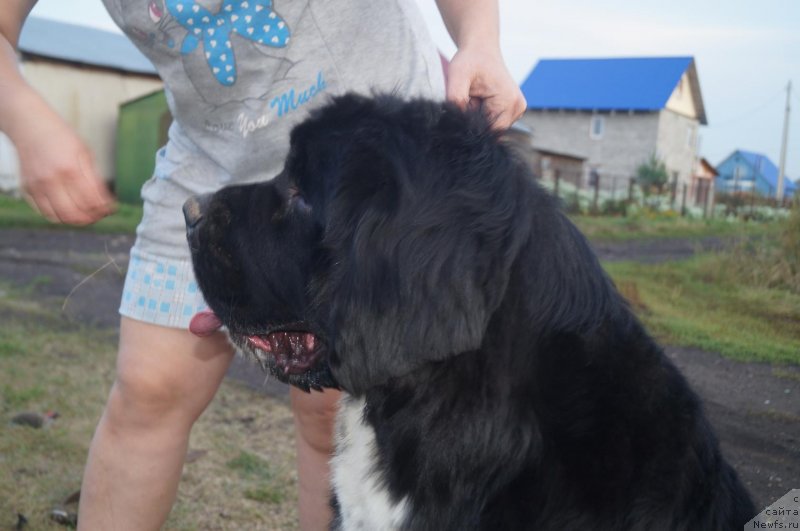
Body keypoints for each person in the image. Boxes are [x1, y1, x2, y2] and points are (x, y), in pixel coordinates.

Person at [0, 1, 525, 529]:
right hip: (211, 161)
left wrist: (479, 38)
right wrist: (23, 118)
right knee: (148, 388)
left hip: (359, 176)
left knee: (331, 416)